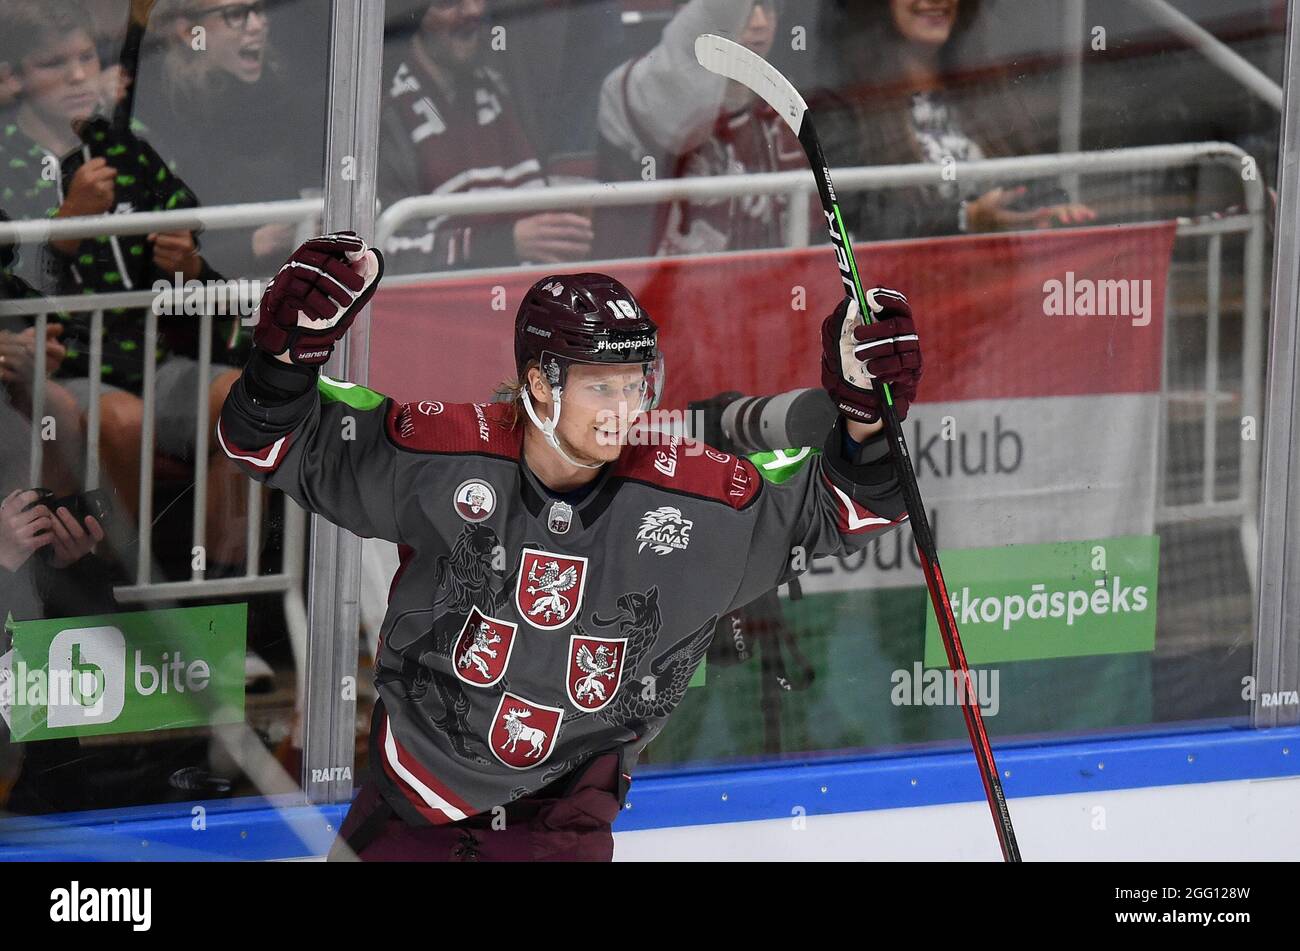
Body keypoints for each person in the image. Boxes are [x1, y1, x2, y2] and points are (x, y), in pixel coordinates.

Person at [218, 232, 923, 861]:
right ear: (537, 383)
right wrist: (287, 355)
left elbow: (848, 503)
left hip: (564, 821)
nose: (625, 407)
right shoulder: (446, 456)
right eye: (600, 385)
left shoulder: (696, 499)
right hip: (416, 804)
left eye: (636, 382)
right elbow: (273, 441)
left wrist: (866, 413)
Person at [0, 0, 250, 568]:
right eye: (52, 64)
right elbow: (10, 285)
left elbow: (192, 233)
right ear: (12, 78)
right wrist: (66, 224)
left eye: (87, 56)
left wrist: (184, 260)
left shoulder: (130, 139)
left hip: (156, 362)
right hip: (64, 370)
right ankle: (126, 595)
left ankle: (223, 601)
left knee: (247, 406)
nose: (78, 75)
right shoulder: (4, 157)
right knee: (122, 421)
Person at [818, 0, 1096, 240]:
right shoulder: (846, 107)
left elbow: (1030, 179)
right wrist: (965, 219)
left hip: (1002, 280)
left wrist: (1054, 209)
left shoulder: (982, 87)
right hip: (906, 289)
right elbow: (859, 218)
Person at [378, 0, 593, 273]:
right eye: (449, 2)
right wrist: (502, 244)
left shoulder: (500, 83)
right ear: (413, 14)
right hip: (444, 308)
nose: (473, 10)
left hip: (526, 294)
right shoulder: (385, 116)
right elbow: (386, 253)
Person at [597, 0, 808, 258]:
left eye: (769, 7)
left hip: (772, 291)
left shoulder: (787, 111)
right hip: (661, 292)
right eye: (745, 8)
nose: (760, 23)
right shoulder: (643, 89)